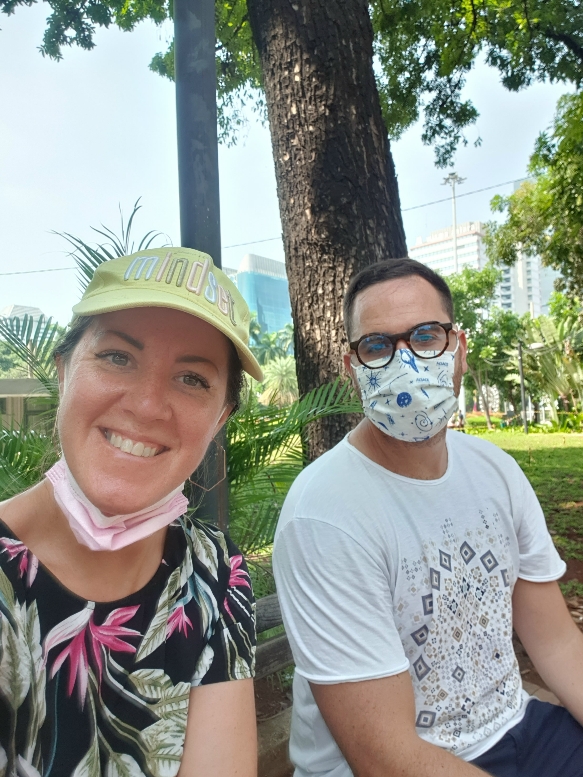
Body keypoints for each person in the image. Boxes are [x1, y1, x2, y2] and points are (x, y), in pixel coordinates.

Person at [273, 258, 583, 777]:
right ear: (352, 369)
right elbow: (385, 757)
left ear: (458, 348)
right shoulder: (324, 516)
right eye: (377, 346)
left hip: (516, 727)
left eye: (425, 336)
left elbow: (557, 642)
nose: (406, 362)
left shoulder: (496, 472)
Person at [0, 248, 263, 777]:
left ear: (220, 419)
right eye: (118, 356)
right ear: (64, 371)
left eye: (192, 379)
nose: (146, 405)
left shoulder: (214, 572)